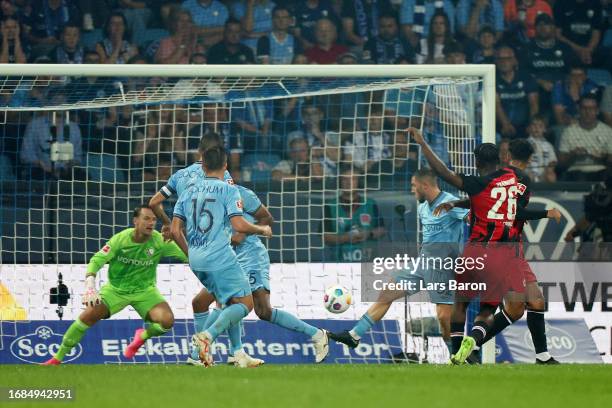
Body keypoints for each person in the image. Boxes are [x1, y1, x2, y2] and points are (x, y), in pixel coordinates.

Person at [408, 127, 559, 365]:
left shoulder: (477, 183)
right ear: (501, 159)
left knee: (463, 304)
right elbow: (509, 207)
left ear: (476, 161)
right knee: (492, 309)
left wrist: (423, 143)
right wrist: (546, 212)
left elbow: (445, 173)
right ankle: (476, 343)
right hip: (504, 252)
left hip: (475, 251)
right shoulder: (512, 178)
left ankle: (459, 353)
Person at [149, 133, 261, 366]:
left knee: (220, 299)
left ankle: (216, 354)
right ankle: (214, 345)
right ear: (221, 157)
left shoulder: (180, 176)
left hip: (193, 248)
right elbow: (232, 211)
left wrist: (169, 224)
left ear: (198, 153)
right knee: (240, 300)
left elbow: (153, 202)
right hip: (219, 248)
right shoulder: (223, 177)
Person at [329, 168, 468, 353]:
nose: (412, 190)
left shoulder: (450, 202)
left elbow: (473, 219)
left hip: (444, 267)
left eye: (413, 186)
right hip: (423, 263)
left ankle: (456, 355)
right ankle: (354, 335)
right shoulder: (423, 207)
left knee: (443, 318)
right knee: (387, 293)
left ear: (424, 185)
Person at [42, 205, 188, 365]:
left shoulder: (160, 241)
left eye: (154, 219)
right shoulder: (120, 240)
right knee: (87, 316)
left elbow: (188, 256)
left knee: (166, 322)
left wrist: (181, 239)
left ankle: (142, 337)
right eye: (146, 218)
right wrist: (90, 286)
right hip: (116, 291)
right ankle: (57, 358)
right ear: (135, 221)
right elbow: (97, 260)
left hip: (145, 291)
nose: (151, 223)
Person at [171, 145, 273, 367]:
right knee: (246, 303)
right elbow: (238, 223)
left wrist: (189, 253)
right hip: (219, 256)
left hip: (197, 259)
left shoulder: (188, 190)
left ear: (203, 166)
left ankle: (237, 354)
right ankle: (206, 337)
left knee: (228, 300)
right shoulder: (229, 190)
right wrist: (260, 229)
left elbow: (174, 229)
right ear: (225, 165)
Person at [231, 184, 329, 362]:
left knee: (263, 311)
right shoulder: (207, 196)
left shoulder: (242, 194)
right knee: (229, 302)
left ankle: (317, 334)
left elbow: (267, 218)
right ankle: (235, 352)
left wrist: (243, 234)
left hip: (251, 256)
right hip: (229, 257)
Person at [322, 169, 386, 262]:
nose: (349, 183)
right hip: (339, 262)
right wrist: (345, 238)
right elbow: (325, 236)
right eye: (345, 179)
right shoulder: (330, 206)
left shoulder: (370, 203)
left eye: (353, 179)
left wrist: (368, 234)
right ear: (340, 182)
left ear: (359, 182)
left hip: (368, 261)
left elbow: (382, 230)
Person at [558, 95, 612, 181]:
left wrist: (603, 156)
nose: (587, 112)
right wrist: (573, 154)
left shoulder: (608, 131)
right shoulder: (569, 131)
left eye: (591, 108)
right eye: (584, 108)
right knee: (578, 176)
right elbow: (561, 163)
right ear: (579, 110)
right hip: (576, 172)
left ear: (597, 110)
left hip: (601, 172)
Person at [20, 110, 83, 181]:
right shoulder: (34, 125)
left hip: (66, 174)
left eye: (63, 100)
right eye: (57, 99)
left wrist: (69, 165)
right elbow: (26, 155)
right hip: (40, 172)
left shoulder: (74, 127)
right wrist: (41, 164)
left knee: (82, 176)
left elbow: (78, 157)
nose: (61, 103)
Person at [495, 45, 539, 139]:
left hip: (525, 126)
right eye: (500, 59)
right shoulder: (492, 78)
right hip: (500, 126)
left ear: (514, 60)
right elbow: (496, 104)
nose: (504, 62)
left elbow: (533, 104)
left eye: (507, 58)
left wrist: (532, 125)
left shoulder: (526, 77)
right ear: (496, 61)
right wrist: (505, 124)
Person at [525, 115, 557, 182]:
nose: (537, 128)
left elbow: (553, 161)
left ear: (544, 129)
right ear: (529, 128)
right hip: (530, 173)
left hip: (544, 174)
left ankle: (551, 192)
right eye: (534, 125)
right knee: (528, 176)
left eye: (540, 126)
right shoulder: (525, 144)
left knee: (551, 176)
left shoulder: (548, 145)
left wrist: (548, 170)